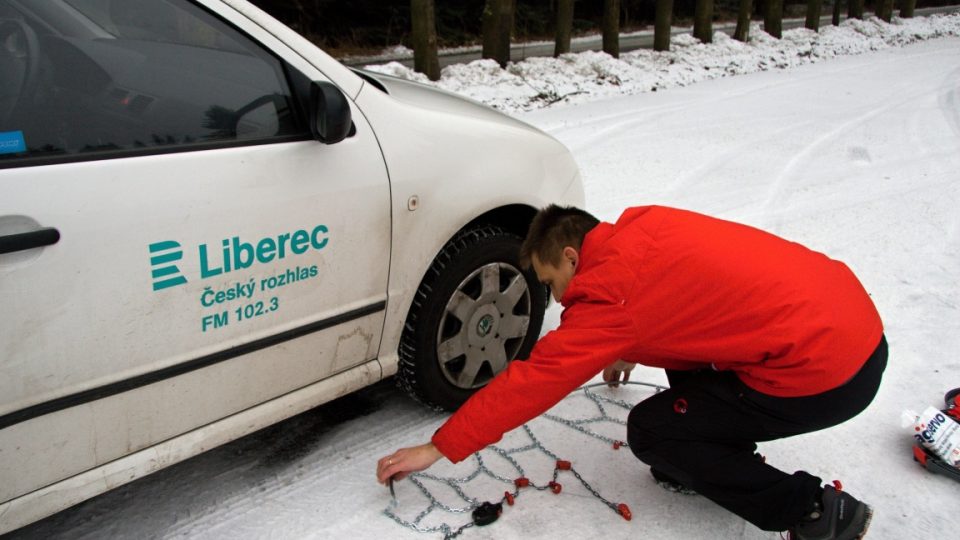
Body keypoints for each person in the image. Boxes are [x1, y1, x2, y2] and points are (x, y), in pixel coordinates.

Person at [376, 204, 886, 540]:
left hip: (825, 376)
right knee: (685, 378)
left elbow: (533, 381)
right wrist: (629, 342)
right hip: (854, 326)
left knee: (651, 430)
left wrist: (438, 448)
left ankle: (817, 513)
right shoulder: (645, 226)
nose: (556, 300)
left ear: (573, 257)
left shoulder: (613, 302)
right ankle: (708, 455)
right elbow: (685, 296)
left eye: (553, 283)